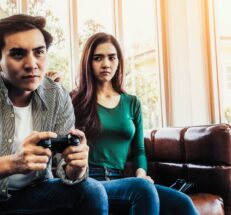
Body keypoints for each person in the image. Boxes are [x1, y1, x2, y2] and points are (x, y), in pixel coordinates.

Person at [0, 15, 108, 215]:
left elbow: (67, 171)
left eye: (39, 52)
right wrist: (14, 163)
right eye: (18, 54)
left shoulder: (57, 96)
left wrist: (76, 166)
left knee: (92, 190)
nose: (32, 64)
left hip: (37, 195)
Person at [71, 32, 199, 215]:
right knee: (141, 191)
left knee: (182, 203)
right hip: (89, 180)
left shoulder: (132, 103)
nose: (106, 64)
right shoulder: (76, 101)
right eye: (98, 58)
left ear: (119, 61)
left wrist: (141, 174)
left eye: (111, 57)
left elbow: (139, 150)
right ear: (88, 63)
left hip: (123, 180)